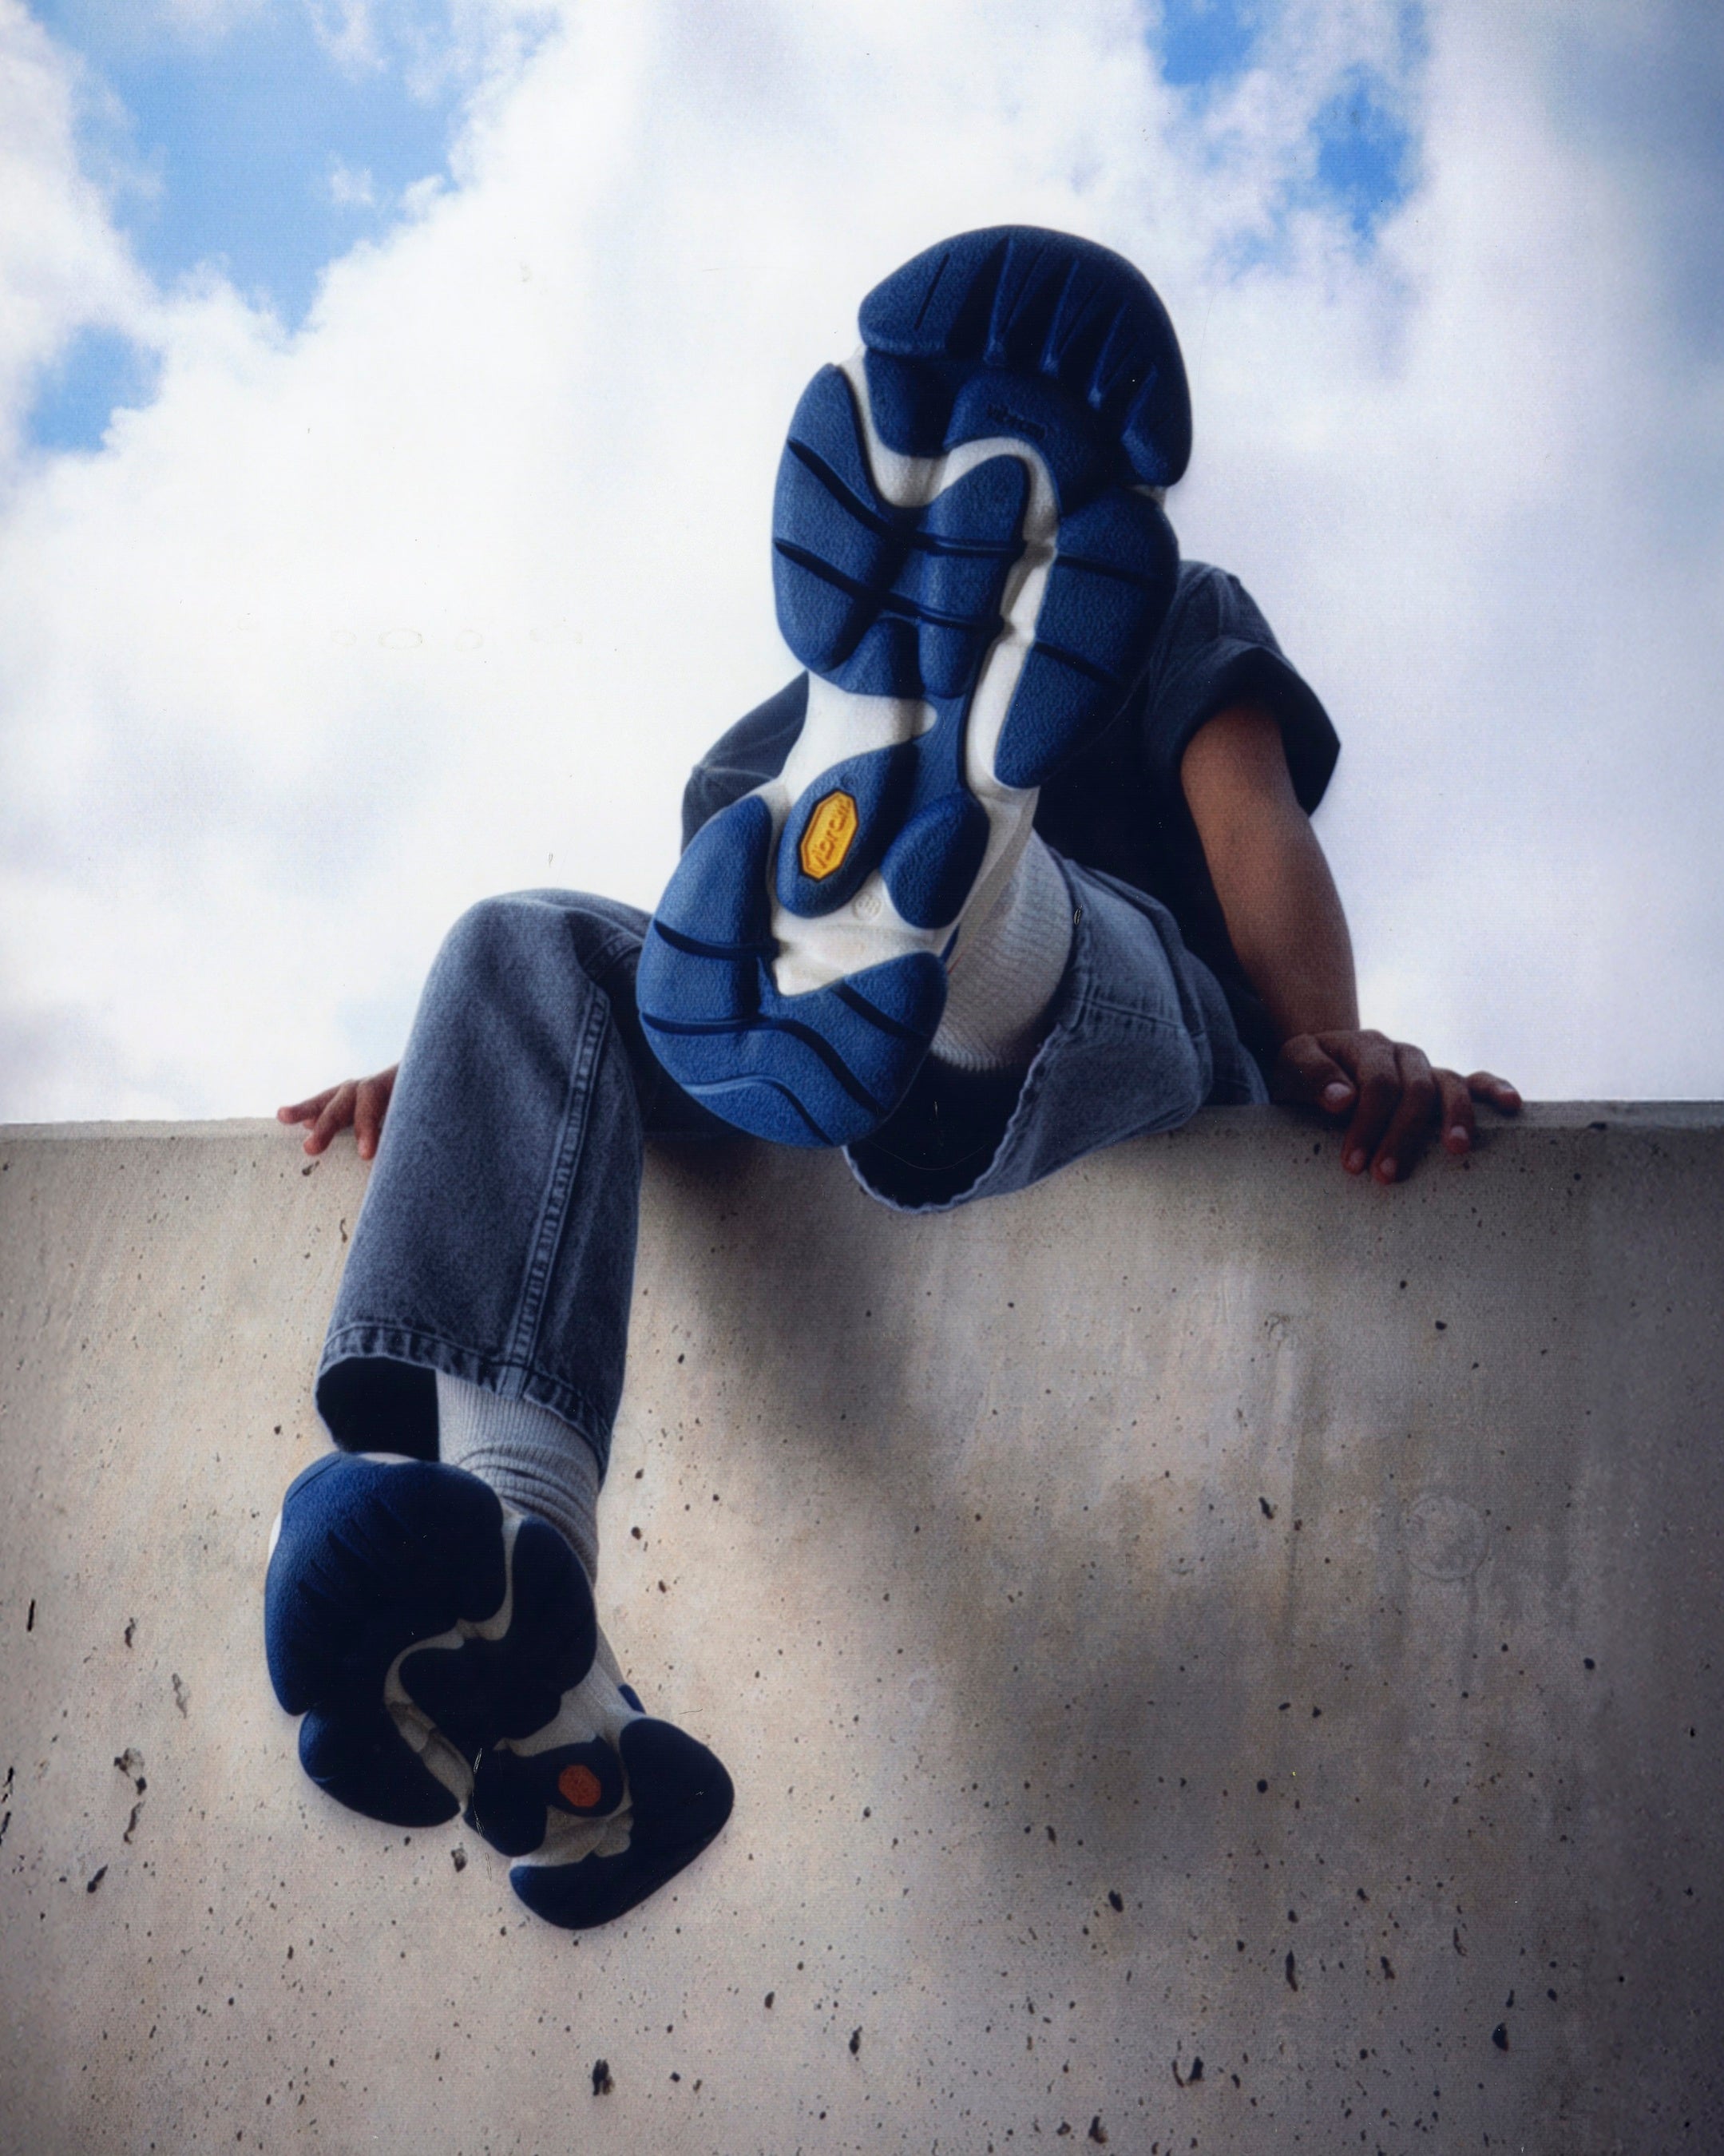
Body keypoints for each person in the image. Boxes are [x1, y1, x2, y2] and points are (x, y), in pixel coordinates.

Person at [266, 227, 1520, 1935]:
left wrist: (1322, 1032)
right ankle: (519, 1590)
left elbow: (1251, 824)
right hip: (845, 1071)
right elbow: (700, 1003)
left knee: (1035, 922)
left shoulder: (1164, 607)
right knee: (520, 946)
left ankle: (969, 907)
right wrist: (478, 1067)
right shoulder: (769, 760)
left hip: (1141, 1030)